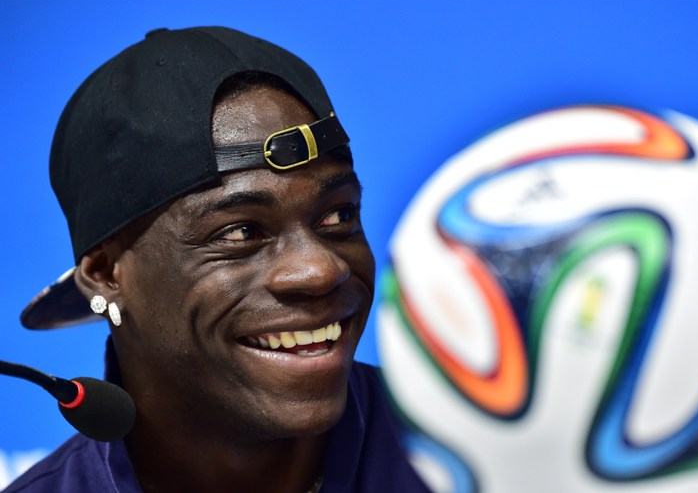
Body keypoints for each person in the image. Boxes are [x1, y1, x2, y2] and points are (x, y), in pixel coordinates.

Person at [6, 27, 430, 492]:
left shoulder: (486, 457)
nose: (322, 270)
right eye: (242, 231)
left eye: (338, 215)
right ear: (106, 274)